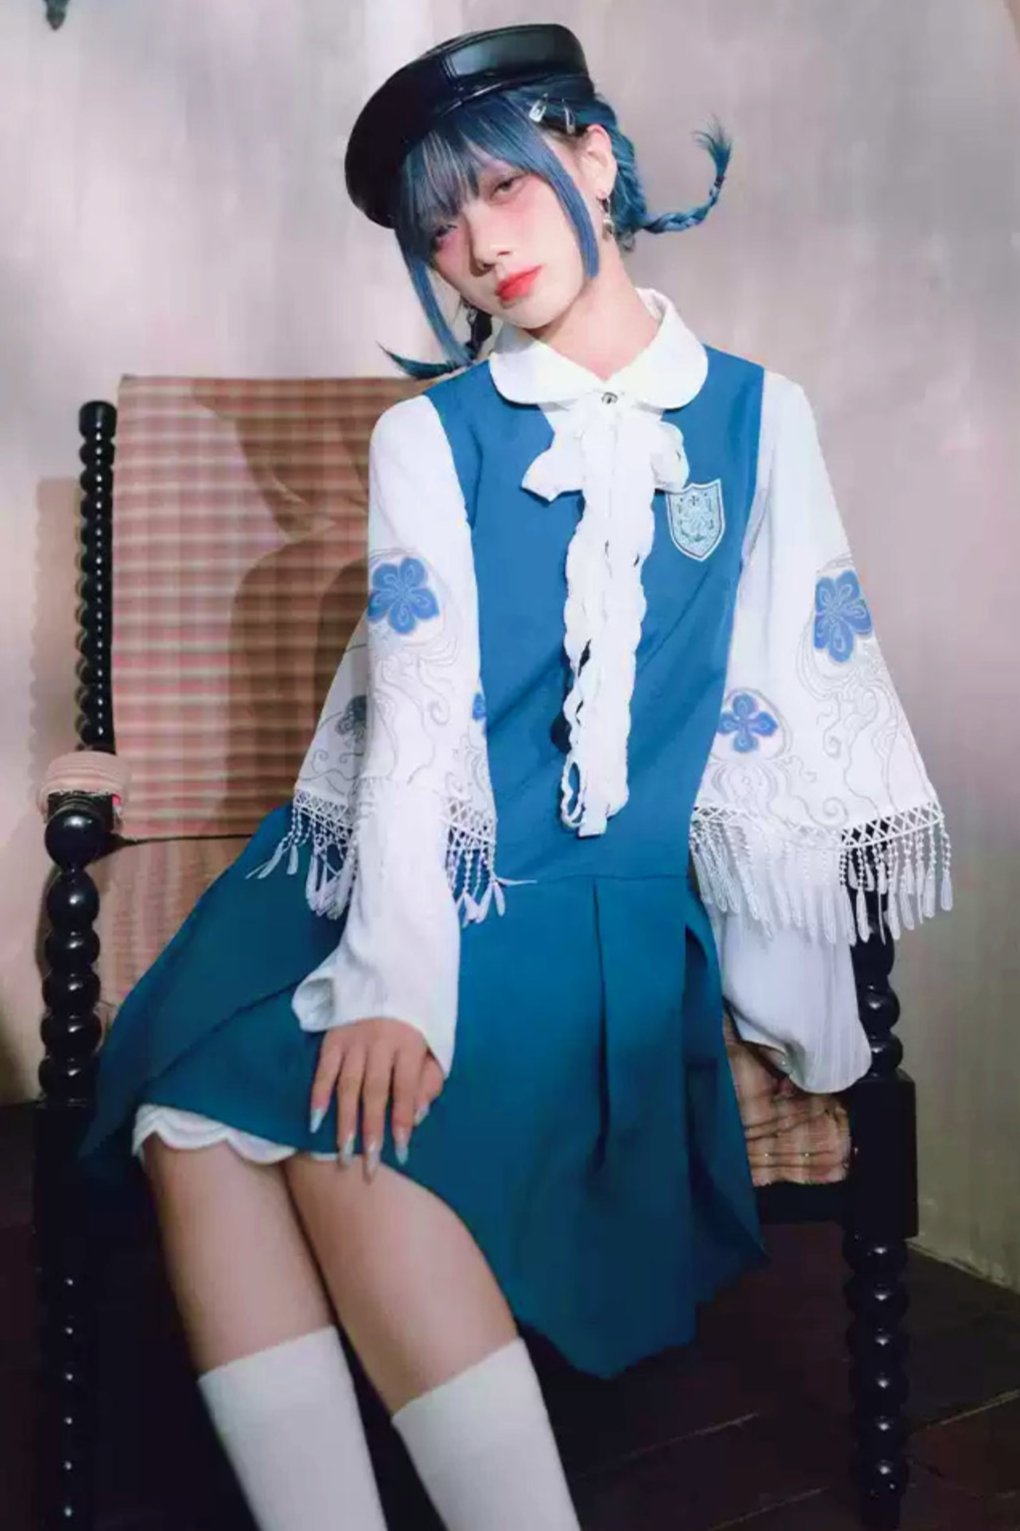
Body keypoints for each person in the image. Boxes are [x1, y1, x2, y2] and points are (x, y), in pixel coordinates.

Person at [78, 22, 952, 1531]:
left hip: (594, 903)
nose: (480, 246)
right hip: (399, 873)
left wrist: (793, 983)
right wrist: (395, 981)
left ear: (595, 157)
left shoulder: (762, 413)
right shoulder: (430, 436)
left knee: (346, 1141)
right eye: (440, 227)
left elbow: (797, 698)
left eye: (503, 187)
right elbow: (419, 724)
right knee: (187, 1124)